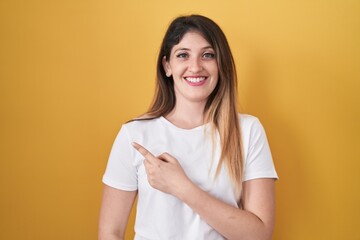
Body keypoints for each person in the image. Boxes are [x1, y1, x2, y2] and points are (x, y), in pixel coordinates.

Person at [98, 14, 278, 240]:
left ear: (220, 65)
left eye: (208, 55)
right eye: (183, 55)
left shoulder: (248, 131)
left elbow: (259, 235)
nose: (195, 67)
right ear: (167, 66)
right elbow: (110, 232)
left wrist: (181, 187)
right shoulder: (134, 134)